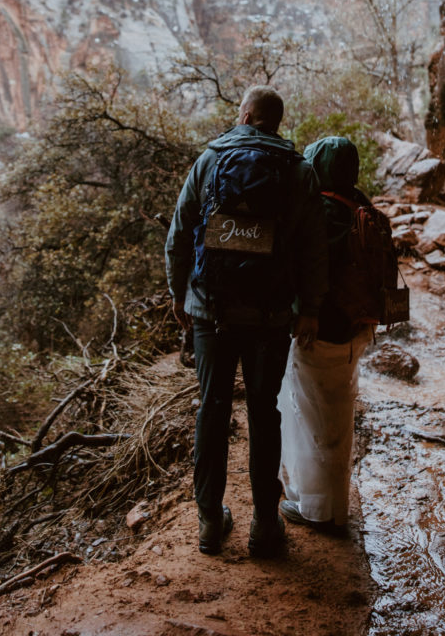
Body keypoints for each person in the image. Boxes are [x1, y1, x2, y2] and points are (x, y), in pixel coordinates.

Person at [165, 86, 328, 558]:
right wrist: (310, 309)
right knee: (263, 412)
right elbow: (313, 249)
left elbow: (179, 234)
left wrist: (180, 296)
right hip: (271, 315)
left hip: (210, 312)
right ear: (275, 122)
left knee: (212, 409)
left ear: (244, 115)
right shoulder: (299, 171)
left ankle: (210, 522)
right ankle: (263, 523)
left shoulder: (210, 160)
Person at [278, 135, 374, 534]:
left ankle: (315, 508)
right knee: (338, 416)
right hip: (357, 329)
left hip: (317, 330)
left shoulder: (316, 210)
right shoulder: (362, 208)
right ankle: (335, 505)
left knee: (309, 421)